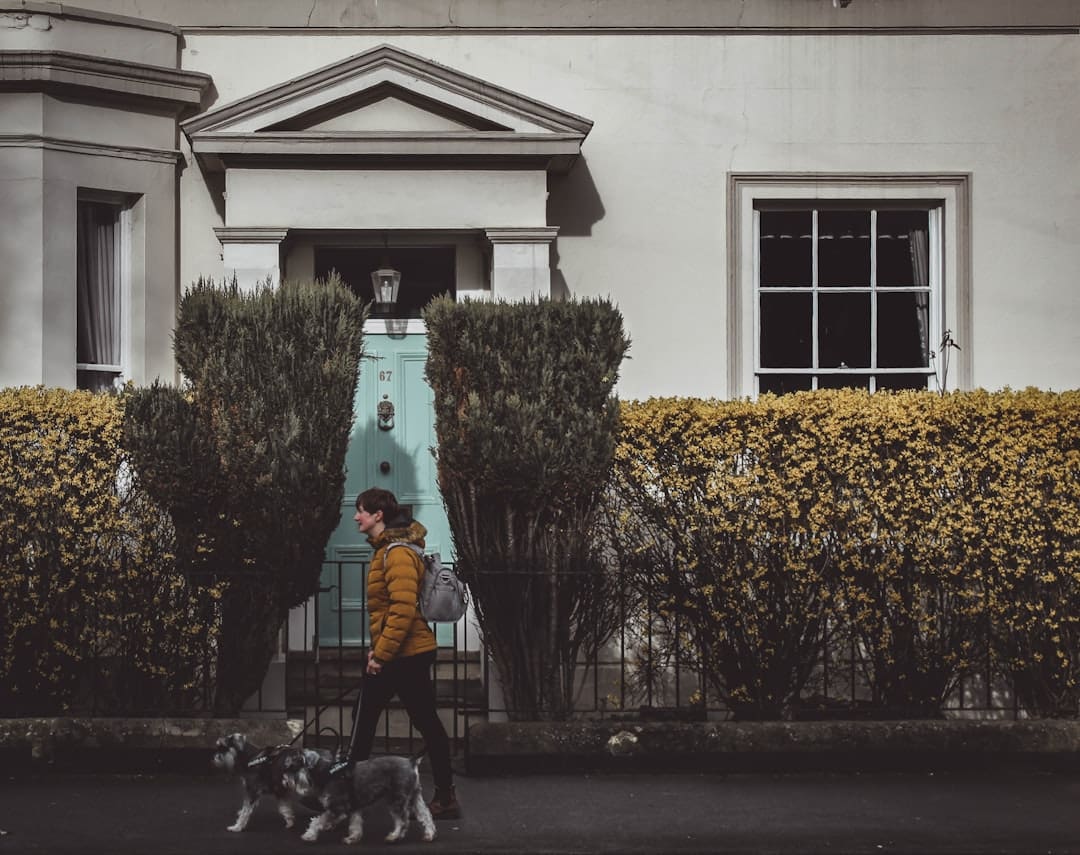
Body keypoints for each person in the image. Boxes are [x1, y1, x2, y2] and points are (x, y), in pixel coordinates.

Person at [341, 487, 461, 820]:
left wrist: (381, 655)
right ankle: (446, 796)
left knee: (367, 721)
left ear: (378, 515)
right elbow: (389, 612)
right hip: (403, 653)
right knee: (419, 723)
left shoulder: (396, 554)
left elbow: (403, 610)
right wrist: (376, 650)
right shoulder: (387, 551)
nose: (356, 516)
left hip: (403, 655)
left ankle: (350, 795)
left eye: (360, 510)